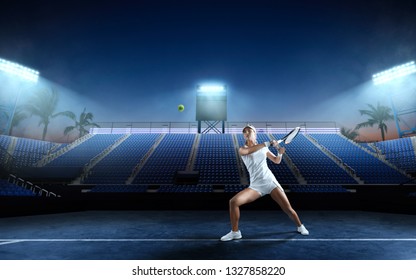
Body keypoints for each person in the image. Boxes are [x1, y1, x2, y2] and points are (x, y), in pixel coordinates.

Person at [220, 124, 309, 241]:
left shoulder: (263, 148)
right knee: (233, 202)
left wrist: (280, 153)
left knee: (287, 209)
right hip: (255, 186)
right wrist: (267, 143)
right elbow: (249, 151)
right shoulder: (242, 149)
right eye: (244, 131)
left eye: (249, 131)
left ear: (254, 133)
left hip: (270, 182)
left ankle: (300, 226)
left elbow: (276, 161)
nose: (246, 133)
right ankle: (235, 232)